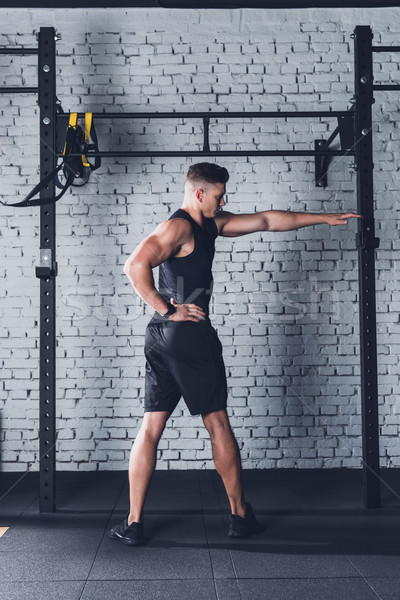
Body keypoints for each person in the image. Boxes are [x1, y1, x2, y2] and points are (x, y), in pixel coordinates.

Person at [108, 162, 361, 546]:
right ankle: (240, 515)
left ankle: (134, 523)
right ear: (198, 194)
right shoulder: (178, 227)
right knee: (217, 424)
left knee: (151, 426)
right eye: (218, 195)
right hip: (187, 334)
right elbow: (134, 265)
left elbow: (265, 221)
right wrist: (168, 308)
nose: (224, 200)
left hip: (161, 339)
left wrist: (322, 218)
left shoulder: (211, 224)